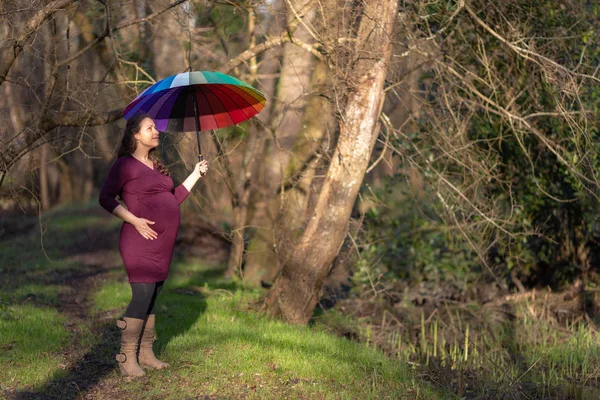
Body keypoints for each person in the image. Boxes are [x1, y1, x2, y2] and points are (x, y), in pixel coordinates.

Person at [98, 114, 208, 377]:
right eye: (150, 128)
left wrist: (195, 174)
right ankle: (126, 357)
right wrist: (134, 220)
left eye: (155, 128)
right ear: (136, 135)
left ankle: (146, 353)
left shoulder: (157, 166)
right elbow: (105, 198)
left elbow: (174, 197)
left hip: (162, 244)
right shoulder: (124, 166)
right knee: (142, 295)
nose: (156, 131)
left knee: (154, 295)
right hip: (139, 240)